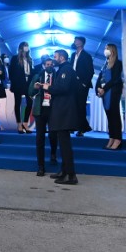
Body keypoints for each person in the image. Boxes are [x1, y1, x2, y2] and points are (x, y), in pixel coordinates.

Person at [49, 49, 83, 185]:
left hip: (64, 111)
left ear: (61, 57)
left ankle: (71, 175)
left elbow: (63, 88)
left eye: (55, 56)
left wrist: (48, 88)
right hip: (61, 110)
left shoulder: (66, 70)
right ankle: (64, 171)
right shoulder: (63, 69)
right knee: (63, 144)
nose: (53, 59)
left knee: (65, 144)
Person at [28, 52, 59, 176]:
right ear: (43, 65)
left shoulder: (57, 76)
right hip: (39, 110)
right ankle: (40, 166)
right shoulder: (37, 76)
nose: (49, 66)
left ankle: (53, 153)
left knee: (53, 135)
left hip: (53, 109)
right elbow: (29, 91)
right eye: (47, 64)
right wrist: (35, 88)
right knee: (39, 138)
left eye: (51, 64)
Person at [96, 43, 125, 149]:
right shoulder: (105, 64)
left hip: (113, 92)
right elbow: (99, 78)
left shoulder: (118, 63)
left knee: (115, 115)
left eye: (107, 48)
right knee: (109, 116)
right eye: (104, 48)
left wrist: (104, 89)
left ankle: (118, 139)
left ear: (112, 50)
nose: (105, 50)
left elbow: (115, 79)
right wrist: (98, 89)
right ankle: (111, 137)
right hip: (104, 93)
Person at [70, 36, 95, 137]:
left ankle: (81, 128)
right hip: (72, 84)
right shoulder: (73, 55)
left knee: (80, 106)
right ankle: (73, 127)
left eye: (77, 40)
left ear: (82, 42)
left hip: (82, 84)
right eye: (75, 40)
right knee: (72, 105)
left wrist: (84, 83)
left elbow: (91, 71)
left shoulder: (86, 55)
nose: (75, 42)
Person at [10, 41, 34, 134]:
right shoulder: (15, 58)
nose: (26, 47)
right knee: (18, 103)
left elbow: (31, 71)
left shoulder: (30, 59)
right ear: (21, 47)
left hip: (28, 83)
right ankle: (19, 124)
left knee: (29, 103)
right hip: (18, 83)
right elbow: (11, 72)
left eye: (27, 46)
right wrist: (14, 82)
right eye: (24, 46)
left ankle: (25, 122)